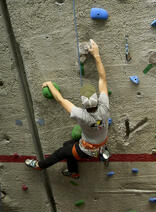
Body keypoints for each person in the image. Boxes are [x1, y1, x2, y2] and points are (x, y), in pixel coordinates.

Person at [25, 39, 109, 179]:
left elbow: (60, 99)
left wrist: (49, 84)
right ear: (97, 99)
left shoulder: (81, 114)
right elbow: (102, 79)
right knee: (67, 145)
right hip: (100, 144)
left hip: (86, 150)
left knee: (60, 153)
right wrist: (97, 55)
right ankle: (73, 172)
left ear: (83, 104)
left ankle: (40, 165)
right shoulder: (104, 106)